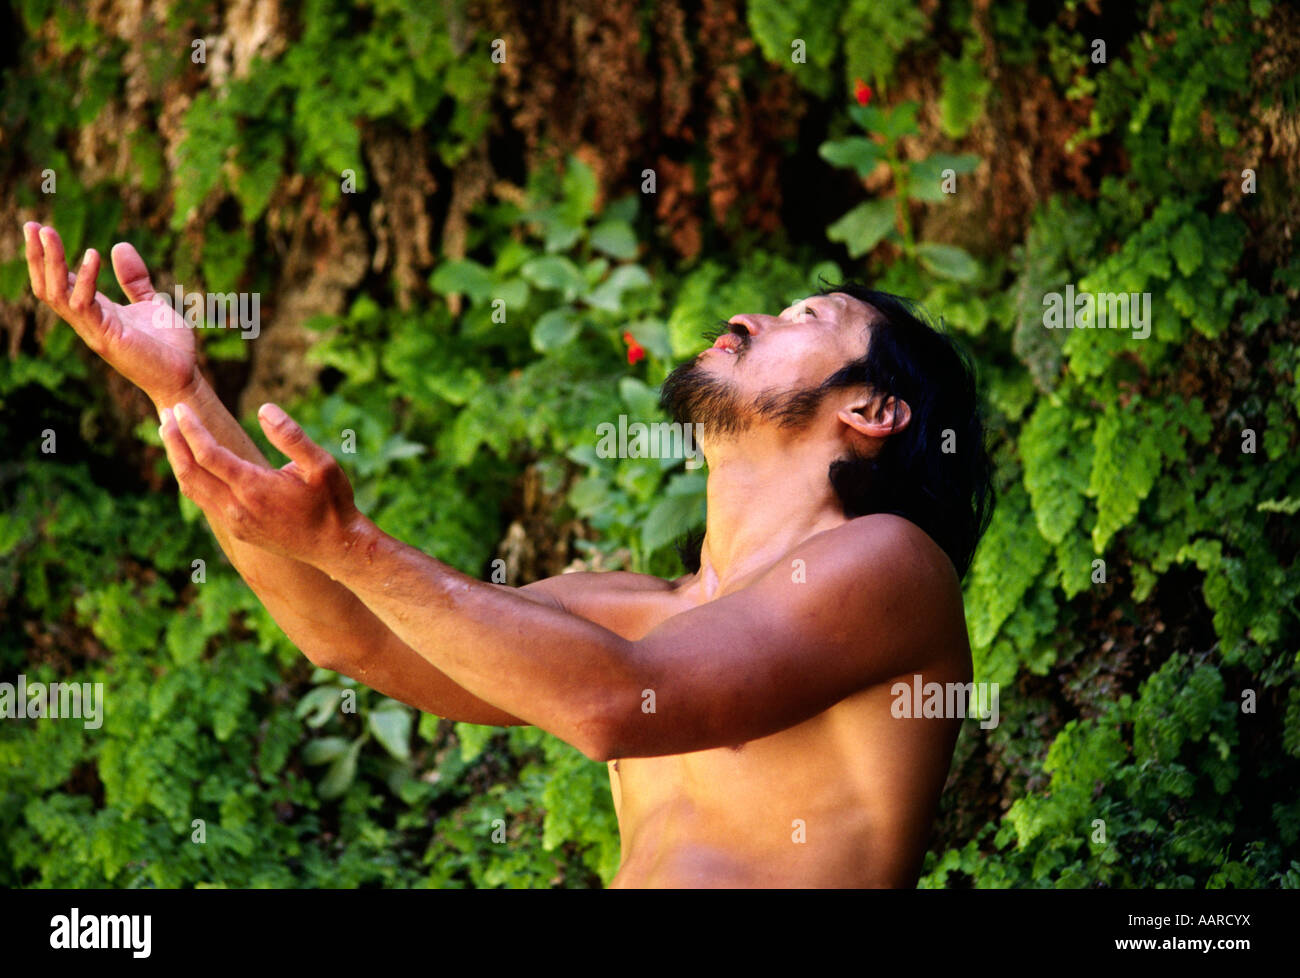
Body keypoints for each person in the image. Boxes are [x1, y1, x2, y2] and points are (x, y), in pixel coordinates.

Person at [22, 222, 994, 888]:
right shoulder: (630, 604)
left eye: (806, 319)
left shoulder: (890, 567)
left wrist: (353, 543)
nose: (752, 317)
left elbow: (619, 705)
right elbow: (356, 639)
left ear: (870, 410)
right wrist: (184, 394)